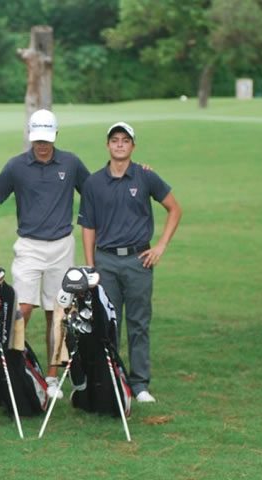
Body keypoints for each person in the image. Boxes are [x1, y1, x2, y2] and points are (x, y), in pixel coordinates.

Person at [78, 121, 182, 403]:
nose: (120, 144)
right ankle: (112, 379)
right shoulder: (94, 182)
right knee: (107, 325)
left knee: (139, 323)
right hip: (106, 261)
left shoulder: (145, 176)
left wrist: (160, 246)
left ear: (133, 146)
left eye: (125, 140)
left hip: (139, 261)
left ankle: (139, 384)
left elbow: (174, 209)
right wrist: (90, 266)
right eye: (115, 140)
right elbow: (88, 226)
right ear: (107, 145)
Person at [0, 109, 89, 398]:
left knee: (57, 313)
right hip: (29, 246)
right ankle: (14, 367)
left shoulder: (70, 163)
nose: (42, 145)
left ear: (55, 135)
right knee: (21, 310)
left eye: (47, 139)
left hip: (62, 245)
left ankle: (52, 376)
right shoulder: (16, 166)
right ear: (30, 137)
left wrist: (135, 171)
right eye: (37, 140)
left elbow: (95, 190)